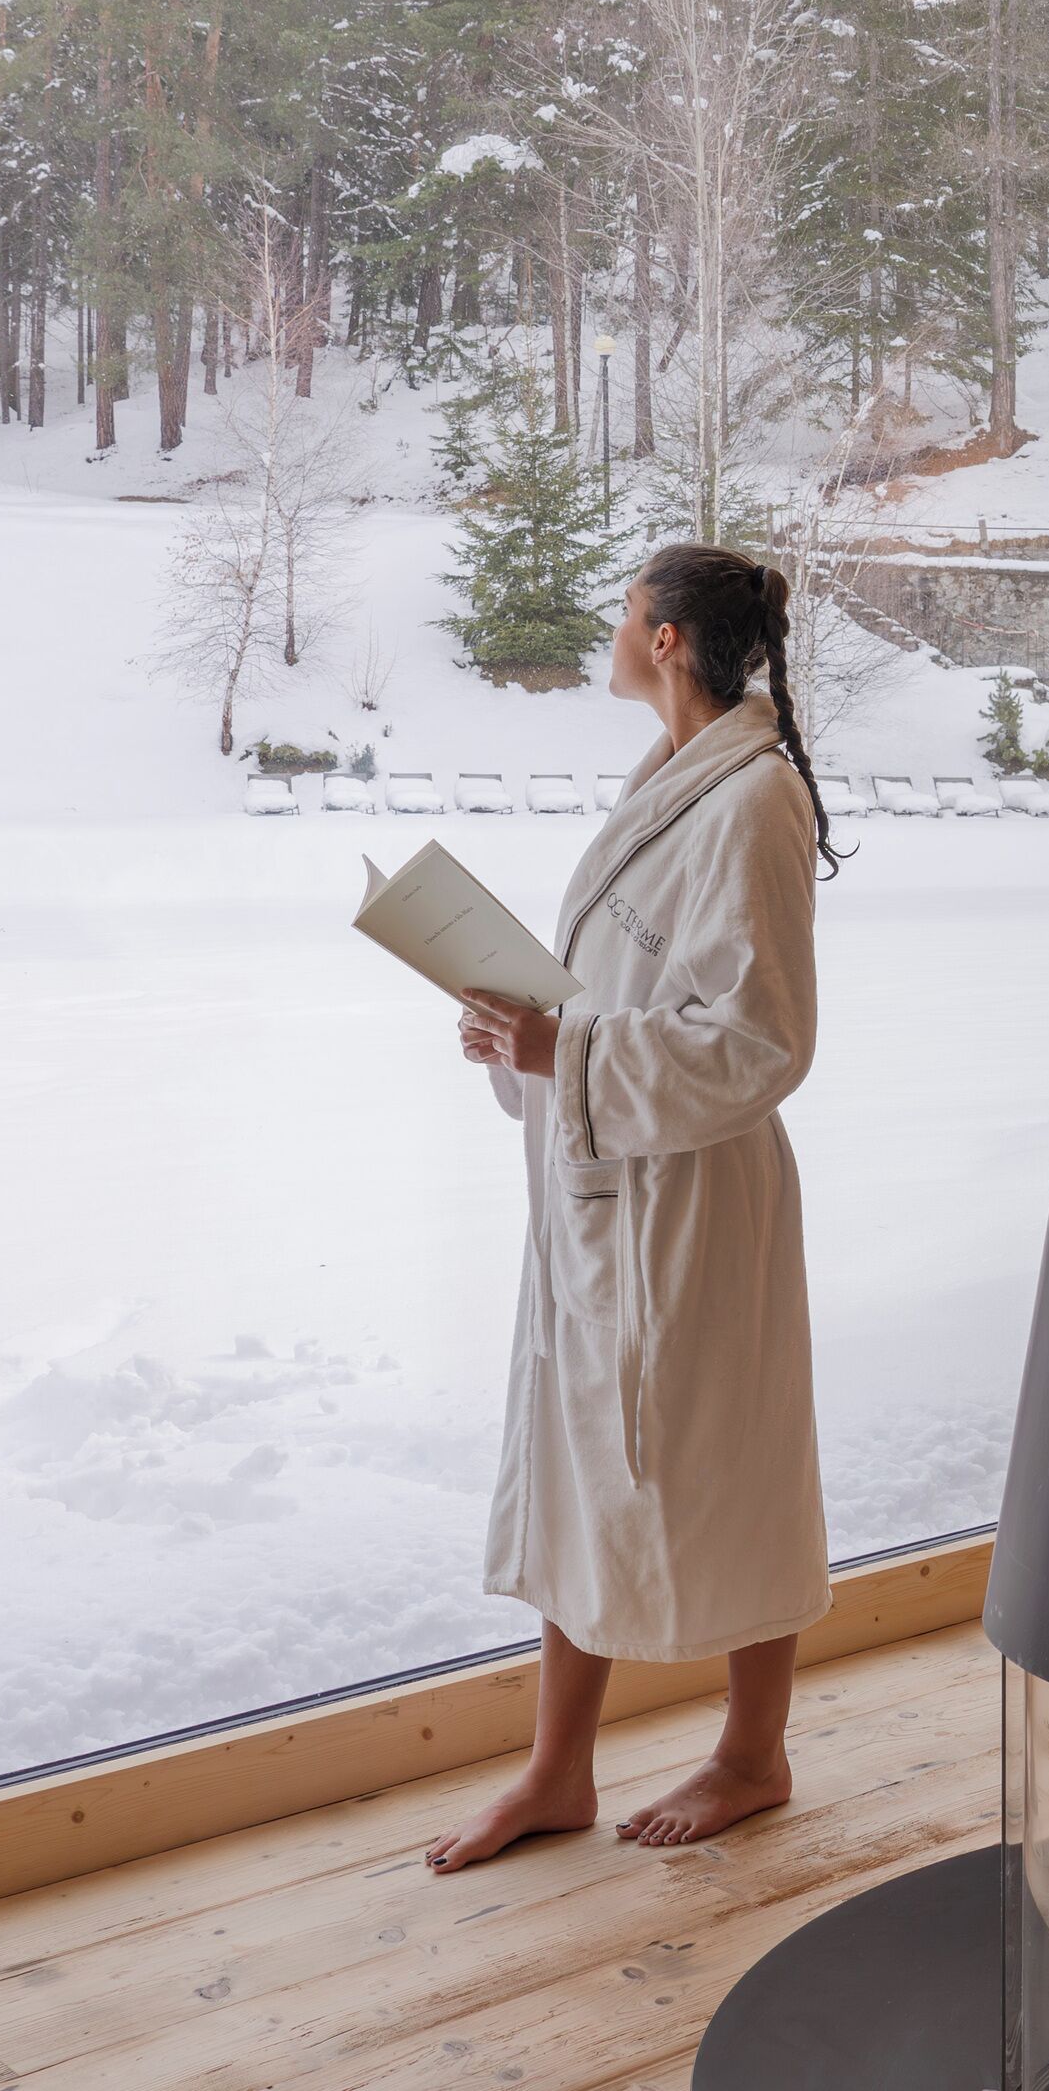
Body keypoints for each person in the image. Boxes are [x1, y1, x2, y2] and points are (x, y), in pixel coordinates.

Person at [429, 542, 850, 1872]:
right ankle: (557, 1771)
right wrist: (523, 1035)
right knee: (575, 1460)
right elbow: (633, 985)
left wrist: (577, 1056)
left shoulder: (754, 802)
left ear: (665, 639)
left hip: (695, 1201)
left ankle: (753, 1752)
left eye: (626, 612)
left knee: (731, 1459)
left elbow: (767, 1040)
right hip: (604, 1187)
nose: (617, 630)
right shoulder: (677, 780)